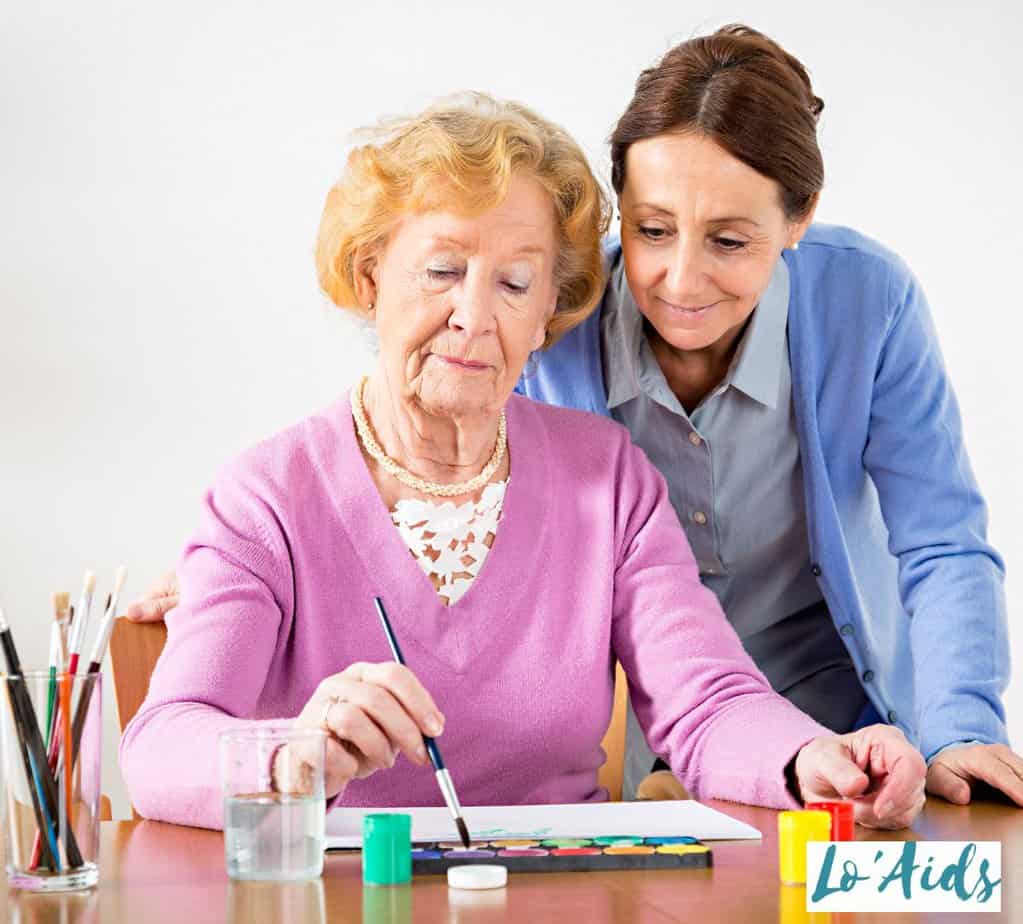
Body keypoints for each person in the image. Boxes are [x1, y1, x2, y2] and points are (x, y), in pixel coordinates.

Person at [119, 93, 925, 831]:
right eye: (440, 272)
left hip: (567, 898)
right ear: (370, 279)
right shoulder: (266, 495)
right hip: (348, 896)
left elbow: (706, 704)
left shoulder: (606, 480)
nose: (473, 316)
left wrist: (810, 759)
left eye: (513, 282)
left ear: (549, 311)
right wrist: (295, 753)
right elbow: (162, 744)